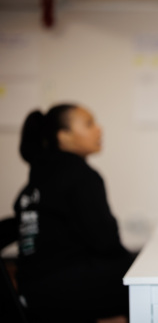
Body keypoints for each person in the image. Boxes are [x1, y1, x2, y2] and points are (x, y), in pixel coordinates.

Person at [14, 104, 135, 322]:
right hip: (64, 290)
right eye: (89, 123)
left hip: (30, 289)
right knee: (151, 275)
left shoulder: (36, 180)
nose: (99, 129)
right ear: (64, 136)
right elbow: (106, 241)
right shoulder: (80, 175)